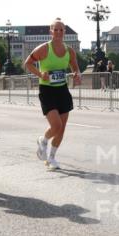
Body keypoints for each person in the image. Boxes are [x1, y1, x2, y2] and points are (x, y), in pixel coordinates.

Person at [24, 18, 82, 170]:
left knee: (62, 128)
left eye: (61, 30)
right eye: (55, 29)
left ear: (64, 32)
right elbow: (27, 63)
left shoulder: (69, 51)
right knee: (56, 125)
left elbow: (75, 67)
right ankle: (43, 140)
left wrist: (77, 75)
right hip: (47, 91)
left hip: (62, 90)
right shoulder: (43, 49)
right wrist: (40, 74)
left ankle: (51, 158)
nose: (58, 32)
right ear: (51, 32)